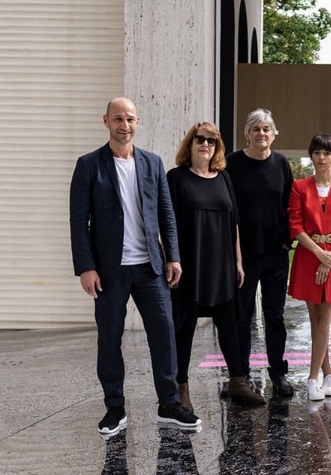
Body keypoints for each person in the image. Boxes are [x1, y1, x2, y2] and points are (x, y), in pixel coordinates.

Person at [69, 96, 199, 434]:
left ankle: (169, 403)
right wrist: (86, 266)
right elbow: (77, 220)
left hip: (149, 267)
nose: (124, 125)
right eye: (118, 119)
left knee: (164, 334)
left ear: (137, 122)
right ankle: (115, 408)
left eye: (129, 119)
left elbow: (166, 213)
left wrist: (173, 256)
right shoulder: (89, 165)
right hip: (109, 271)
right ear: (106, 121)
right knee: (110, 338)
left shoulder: (152, 163)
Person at [167, 121, 265, 408]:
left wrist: (238, 260)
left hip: (222, 264)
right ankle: (181, 388)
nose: (205, 145)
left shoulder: (223, 178)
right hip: (190, 265)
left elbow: (234, 221)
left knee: (230, 324)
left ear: (217, 147)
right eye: (200, 139)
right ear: (190, 143)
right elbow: (167, 223)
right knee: (183, 327)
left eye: (211, 141)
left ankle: (238, 382)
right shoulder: (177, 178)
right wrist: (171, 259)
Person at [226, 109, 295, 398]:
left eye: (266, 128)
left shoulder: (281, 164)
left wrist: (286, 240)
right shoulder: (232, 163)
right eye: (256, 129)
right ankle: (240, 376)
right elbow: (227, 208)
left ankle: (278, 373)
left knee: (274, 316)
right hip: (243, 256)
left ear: (274, 133)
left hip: (275, 254)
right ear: (247, 134)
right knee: (241, 317)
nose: (261, 134)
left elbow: (292, 205)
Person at [288, 134, 331, 402]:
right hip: (309, 257)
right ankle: (328, 373)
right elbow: (295, 225)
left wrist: (330, 257)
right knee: (315, 318)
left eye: (326, 153)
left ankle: (312, 378)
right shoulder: (300, 186)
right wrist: (319, 253)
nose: (321, 157)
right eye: (316, 152)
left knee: (324, 319)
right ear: (311, 156)